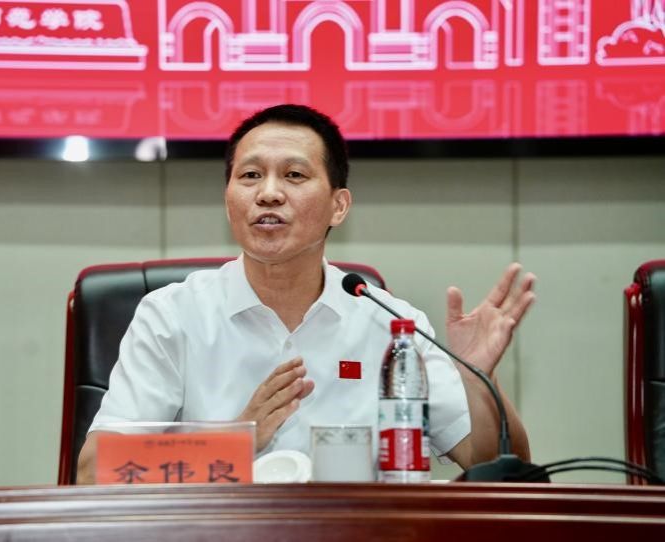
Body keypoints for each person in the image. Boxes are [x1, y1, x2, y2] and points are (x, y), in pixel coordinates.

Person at [76, 104, 534, 484]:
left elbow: (496, 471)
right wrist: (235, 442)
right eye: (250, 175)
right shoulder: (172, 315)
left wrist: (478, 379)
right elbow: (96, 471)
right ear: (228, 199)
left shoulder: (392, 326)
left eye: (294, 175)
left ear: (339, 205)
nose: (268, 193)